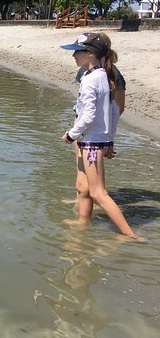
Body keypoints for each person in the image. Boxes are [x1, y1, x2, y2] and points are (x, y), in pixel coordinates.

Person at [60, 33, 142, 240]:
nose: (73, 56)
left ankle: (129, 234)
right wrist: (108, 139)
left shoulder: (96, 78)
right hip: (93, 138)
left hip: (90, 141)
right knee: (83, 186)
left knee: (99, 193)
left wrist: (71, 135)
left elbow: (93, 114)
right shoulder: (98, 75)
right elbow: (110, 111)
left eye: (77, 52)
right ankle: (83, 223)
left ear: (90, 54)